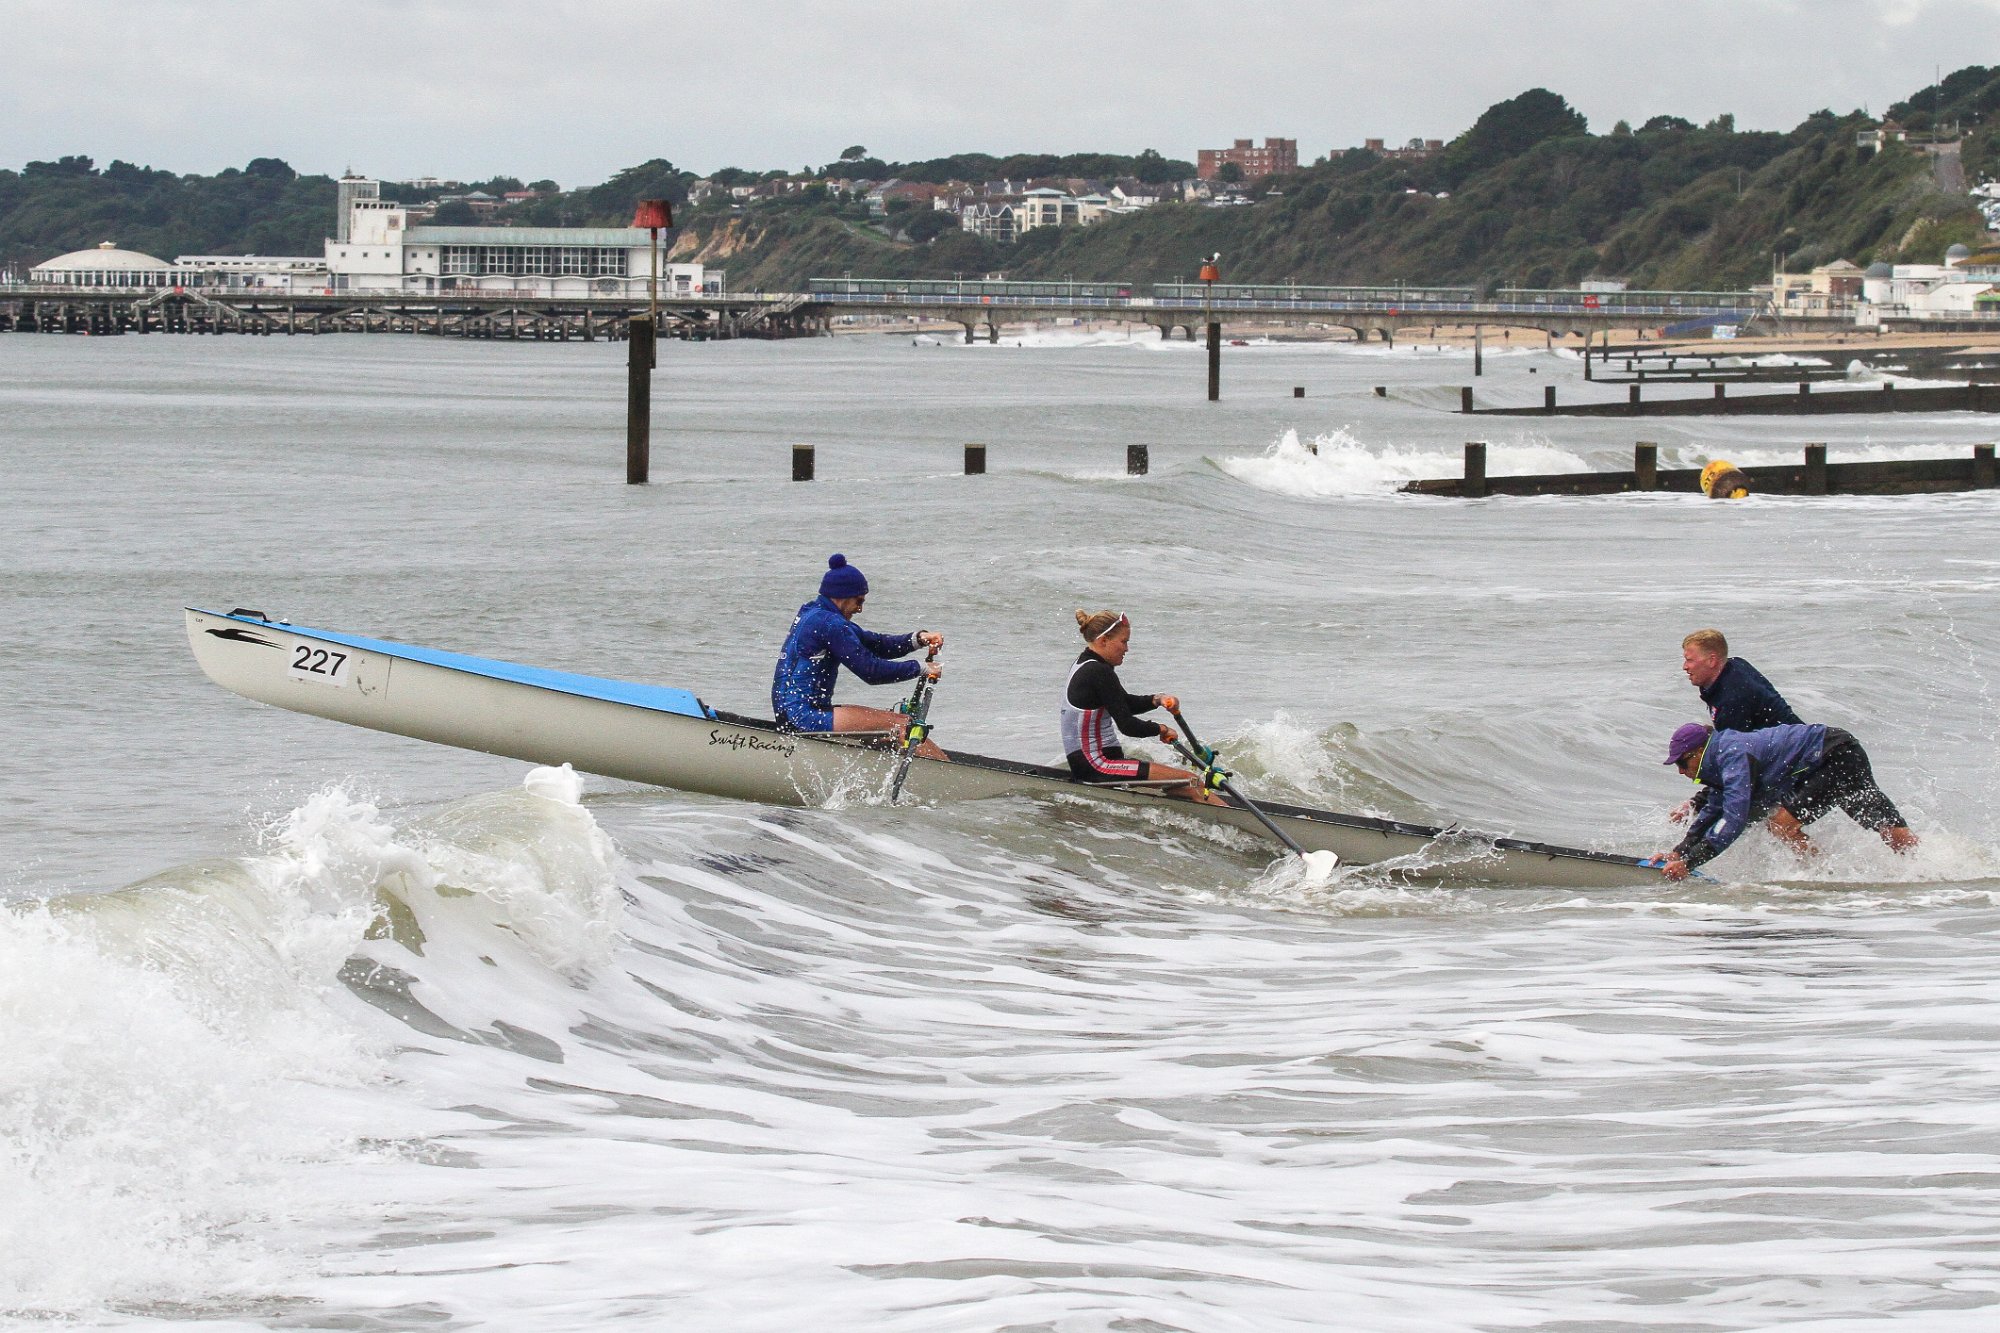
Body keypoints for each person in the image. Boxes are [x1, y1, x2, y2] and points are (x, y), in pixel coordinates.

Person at [1657, 722, 1918, 880]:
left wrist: (1689, 863)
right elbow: (1714, 809)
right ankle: (1930, 869)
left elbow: (1733, 819)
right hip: (1837, 751)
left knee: (1782, 825)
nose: (1681, 771)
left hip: (1835, 755)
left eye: (1682, 762)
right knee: (1890, 830)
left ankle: (1822, 876)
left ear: (1699, 751)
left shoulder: (1733, 756)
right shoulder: (1720, 758)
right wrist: (1680, 851)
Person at [772, 554, 947, 759]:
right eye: (859, 601)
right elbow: (871, 672)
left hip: (794, 712)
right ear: (843, 595)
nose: (860, 609)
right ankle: (953, 779)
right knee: (903, 725)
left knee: (889, 727)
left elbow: (876, 644)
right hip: (805, 717)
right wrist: (921, 668)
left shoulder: (814, 613)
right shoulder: (830, 625)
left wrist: (918, 639)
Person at [1062, 609, 1224, 806]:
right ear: (1103, 641)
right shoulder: (1098, 671)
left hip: (1093, 764)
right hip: (1098, 766)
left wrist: (1157, 699)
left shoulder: (1085, 664)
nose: (1127, 649)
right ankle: (1236, 822)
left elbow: (1124, 703)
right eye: (1124, 642)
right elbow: (1127, 725)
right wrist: (1160, 729)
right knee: (1193, 781)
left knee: (1180, 785)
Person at [1673, 629, 1803, 826]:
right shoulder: (1732, 669)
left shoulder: (1733, 698)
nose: (1685, 667)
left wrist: (1697, 802)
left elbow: (1732, 760)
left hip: (1798, 764)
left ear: (1712, 660)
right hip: (1781, 759)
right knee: (1743, 816)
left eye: (1690, 660)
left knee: (1775, 825)